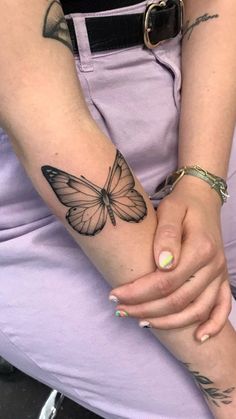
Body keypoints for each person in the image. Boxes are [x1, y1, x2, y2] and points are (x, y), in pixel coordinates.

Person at [0, 0, 236, 418]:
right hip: (38, 161)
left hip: (190, 96)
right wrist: (226, 382)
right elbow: (48, 120)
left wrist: (202, 182)